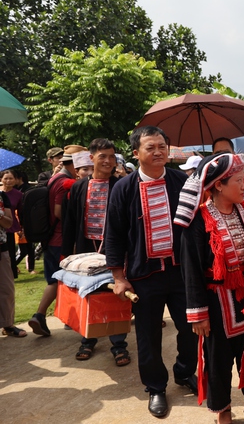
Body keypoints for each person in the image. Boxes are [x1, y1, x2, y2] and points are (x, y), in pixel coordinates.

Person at [105, 126, 197, 417]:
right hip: (144, 276)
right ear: (136, 153)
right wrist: (119, 278)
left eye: (162, 146)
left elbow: (196, 226)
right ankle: (156, 387)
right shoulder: (123, 188)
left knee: (192, 330)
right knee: (148, 337)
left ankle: (184, 372)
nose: (158, 152)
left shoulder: (183, 181)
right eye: (150, 147)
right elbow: (115, 235)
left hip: (182, 273)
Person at [176, 153, 244, 424]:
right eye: (238, 179)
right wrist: (198, 312)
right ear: (219, 185)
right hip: (216, 301)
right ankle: (222, 410)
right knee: (218, 360)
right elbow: (190, 268)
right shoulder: (198, 221)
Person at [61, 138, 129, 367]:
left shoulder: (122, 185)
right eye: (103, 156)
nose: (108, 161)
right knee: (88, 295)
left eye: (112, 156)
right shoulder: (79, 186)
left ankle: (119, 344)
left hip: (114, 250)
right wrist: (66, 252)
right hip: (86, 249)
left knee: (114, 296)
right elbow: (70, 222)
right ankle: (87, 339)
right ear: (91, 158)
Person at [28, 144, 85, 336]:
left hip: (52, 238)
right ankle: (43, 315)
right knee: (61, 280)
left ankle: (49, 316)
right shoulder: (64, 182)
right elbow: (59, 212)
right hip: (61, 239)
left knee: (57, 280)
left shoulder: (56, 178)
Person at [0, 187, 27, 338]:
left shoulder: (2, 196)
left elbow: (9, 223)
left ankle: (7, 324)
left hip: (2, 247)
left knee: (6, 288)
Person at [1, 169, 23, 278]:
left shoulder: (18, 195)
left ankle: (12, 274)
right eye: (6, 178)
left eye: (11, 178)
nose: (8, 181)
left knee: (10, 253)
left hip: (11, 226)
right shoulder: (0, 193)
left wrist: (21, 227)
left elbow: (21, 212)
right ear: (1, 179)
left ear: (15, 180)